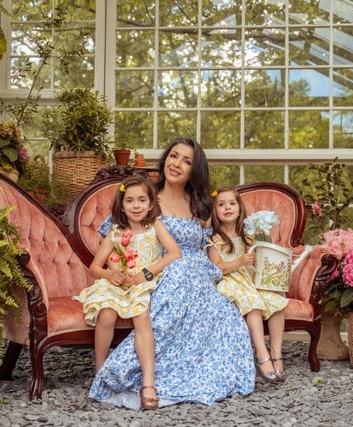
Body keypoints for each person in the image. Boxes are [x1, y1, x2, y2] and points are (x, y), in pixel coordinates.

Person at [89, 137, 255, 410]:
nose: (177, 164)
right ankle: (137, 373)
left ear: (194, 170)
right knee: (179, 275)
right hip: (160, 270)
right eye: (174, 156)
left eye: (187, 161)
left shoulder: (200, 206)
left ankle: (197, 368)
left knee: (225, 314)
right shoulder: (144, 197)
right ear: (165, 158)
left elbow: (224, 237)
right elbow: (117, 240)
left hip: (200, 273)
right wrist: (120, 271)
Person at [74, 175, 181, 410]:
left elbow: (174, 253)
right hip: (117, 284)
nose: (136, 206)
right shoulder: (115, 233)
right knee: (107, 314)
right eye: (130, 201)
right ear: (121, 205)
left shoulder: (155, 227)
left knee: (141, 317)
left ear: (151, 204)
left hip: (142, 283)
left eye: (142, 200)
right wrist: (111, 275)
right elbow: (94, 267)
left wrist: (148, 273)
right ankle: (100, 370)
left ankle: (148, 382)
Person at [208, 187, 289, 383]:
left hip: (248, 279)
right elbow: (216, 269)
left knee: (277, 303)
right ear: (215, 211)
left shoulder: (247, 234)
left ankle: (276, 353)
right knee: (252, 305)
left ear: (239, 208)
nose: (227, 207)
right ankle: (261, 356)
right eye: (221, 204)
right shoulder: (215, 239)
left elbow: (259, 257)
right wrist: (240, 262)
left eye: (232, 203)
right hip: (229, 281)